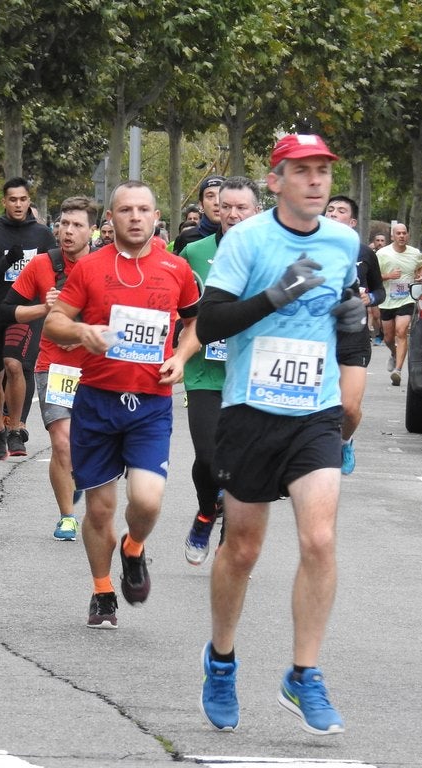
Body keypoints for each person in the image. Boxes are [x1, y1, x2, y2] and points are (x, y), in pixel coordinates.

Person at [195, 134, 364, 736]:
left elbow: (347, 313)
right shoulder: (246, 240)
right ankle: (221, 661)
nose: (316, 182)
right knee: (242, 549)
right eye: (303, 171)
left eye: (323, 171)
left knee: (319, 540)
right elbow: (210, 321)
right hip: (250, 409)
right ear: (277, 180)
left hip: (313, 411)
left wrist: (352, 324)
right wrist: (275, 295)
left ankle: (304, 674)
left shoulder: (345, 241)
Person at [43, 181, 200, 629]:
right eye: (125, 210)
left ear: (156, 217)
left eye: (144, 209)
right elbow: (55, 322)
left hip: (150, 403)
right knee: (98, 509)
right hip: (97, 401)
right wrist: (81, 333)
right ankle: (102, 591)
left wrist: (181, 357)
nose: (135, 217)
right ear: (110, 219)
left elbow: (194, 322)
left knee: (147, 501)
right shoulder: (90, 268)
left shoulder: (176, 268)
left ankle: (134, 548)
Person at [1, 195, 97, 541]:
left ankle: (77, 477)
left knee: (87, 445)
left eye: (77, 225)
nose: (68, 232)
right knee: (62, 442)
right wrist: (44, 307)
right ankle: (67, 517)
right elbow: (9, 311)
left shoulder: (106, 264)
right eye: (63, 224)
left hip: (97, 368)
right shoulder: (42, 265)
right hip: (54, 365)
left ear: (93, 230)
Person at [178, 176, 262, 566]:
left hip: (252, 375)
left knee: (243, 463)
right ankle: (206, 511)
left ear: (256, 211)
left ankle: (230, 535)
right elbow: (175, 306)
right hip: (204, 372)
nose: (231, 213)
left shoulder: (270, 254)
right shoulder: (193, 252)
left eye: (241, 207)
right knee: (209, 457)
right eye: (224, 205)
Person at [0, 177, 56, 459]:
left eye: (23, 199)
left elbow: (55, 273)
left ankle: (16, 429)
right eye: (12, 199)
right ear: (4, 201)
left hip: (25, 312)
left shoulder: (42, 235)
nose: (18, 204)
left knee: (15, 365)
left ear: (29, 200)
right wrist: (7, 261)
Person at [325, 195, 385, 475]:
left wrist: (368, 298)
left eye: (341, 211)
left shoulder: (364, 253)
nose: (334, 213)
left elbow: (379, 291)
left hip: (354, 338)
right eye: (330, 209)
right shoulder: (312, 248)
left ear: (351, 222)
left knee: (349, 408)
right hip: (321, 336)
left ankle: (345, 442)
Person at [376, 222, 422, 386]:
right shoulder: (382, 253)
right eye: (398, 233)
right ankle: (394, 353)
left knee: (401, 331)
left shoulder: (415, 253)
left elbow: (421, 268)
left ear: (408, 235)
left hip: (406, 298)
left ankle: (397, 371)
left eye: (404, 233)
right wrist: (389, 276)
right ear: (392, 236)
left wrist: (419, 276)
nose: (402, 236)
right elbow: (374, 276)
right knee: (388, 338)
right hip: (387, 300)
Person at [171, 175, 224, 254]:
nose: (217, 202)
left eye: (221, 195)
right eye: (210, 196)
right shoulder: (186, 238)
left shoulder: (242, 238)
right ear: (201, 204)